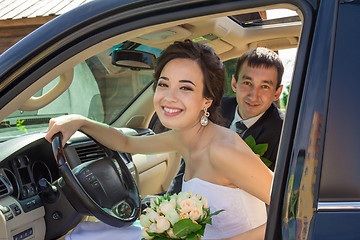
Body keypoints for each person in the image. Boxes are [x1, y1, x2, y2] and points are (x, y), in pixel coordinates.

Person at [46, 40, 273, 240]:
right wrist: (81, 122)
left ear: (207, 99)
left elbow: (291, 209)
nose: (169, 97)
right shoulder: (184, 138)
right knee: (89, 233)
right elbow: (127, 144)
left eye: (185, 87)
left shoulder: (223, 149)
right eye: (164, 84)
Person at [165, 47, 284, 196]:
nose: (254, 96)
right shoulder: (213, 109)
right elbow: (189, 162)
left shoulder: (283, 133)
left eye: (265, 86)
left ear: (277, 93)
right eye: (247, 83)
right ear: (234, 83)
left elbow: (275, 197)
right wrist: (169, 203)